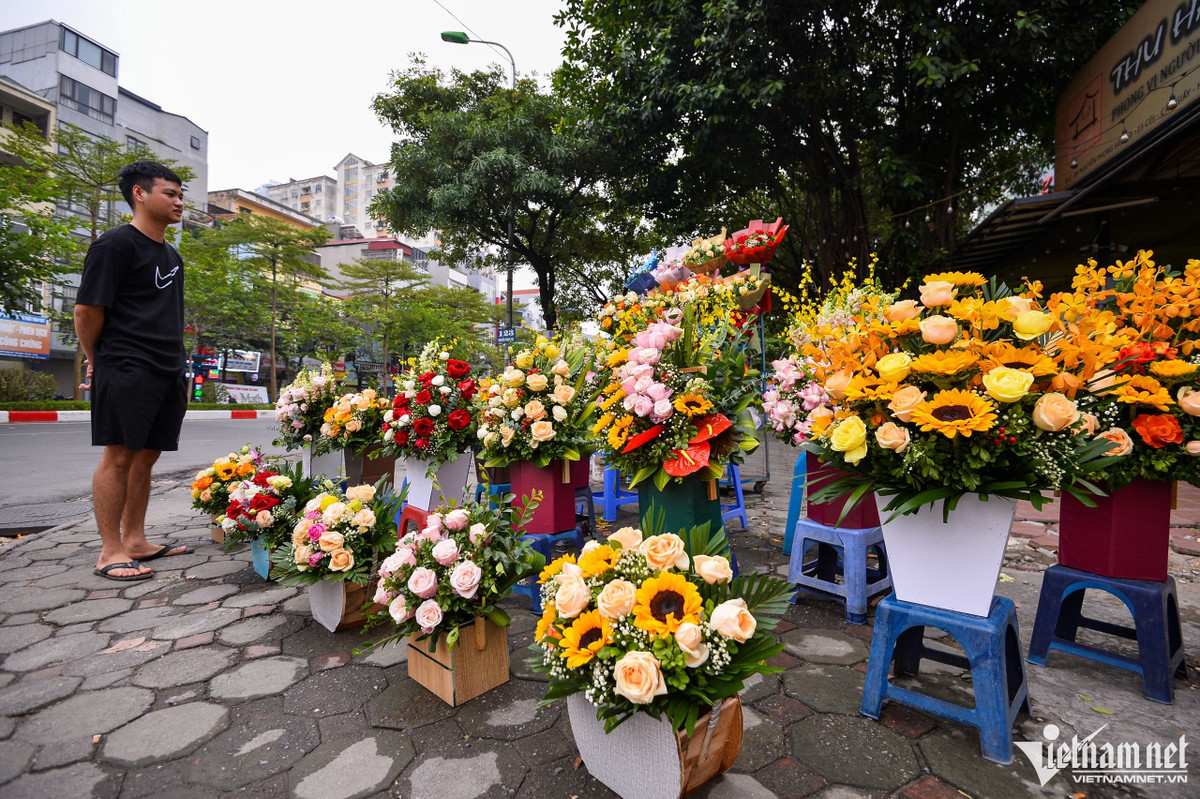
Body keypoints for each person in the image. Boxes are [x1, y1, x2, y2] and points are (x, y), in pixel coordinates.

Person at [75, 161, 192, 581]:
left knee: (147, 455)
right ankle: (110, 552)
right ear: (140, 194)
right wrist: (98, 358)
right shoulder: (114, 245)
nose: (179, 202)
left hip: (167, 366)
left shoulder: (171, 254)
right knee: (120, 455)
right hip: (126, 362)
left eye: (181, 196)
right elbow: (87, 310)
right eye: (170, 194)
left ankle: (136, 540)